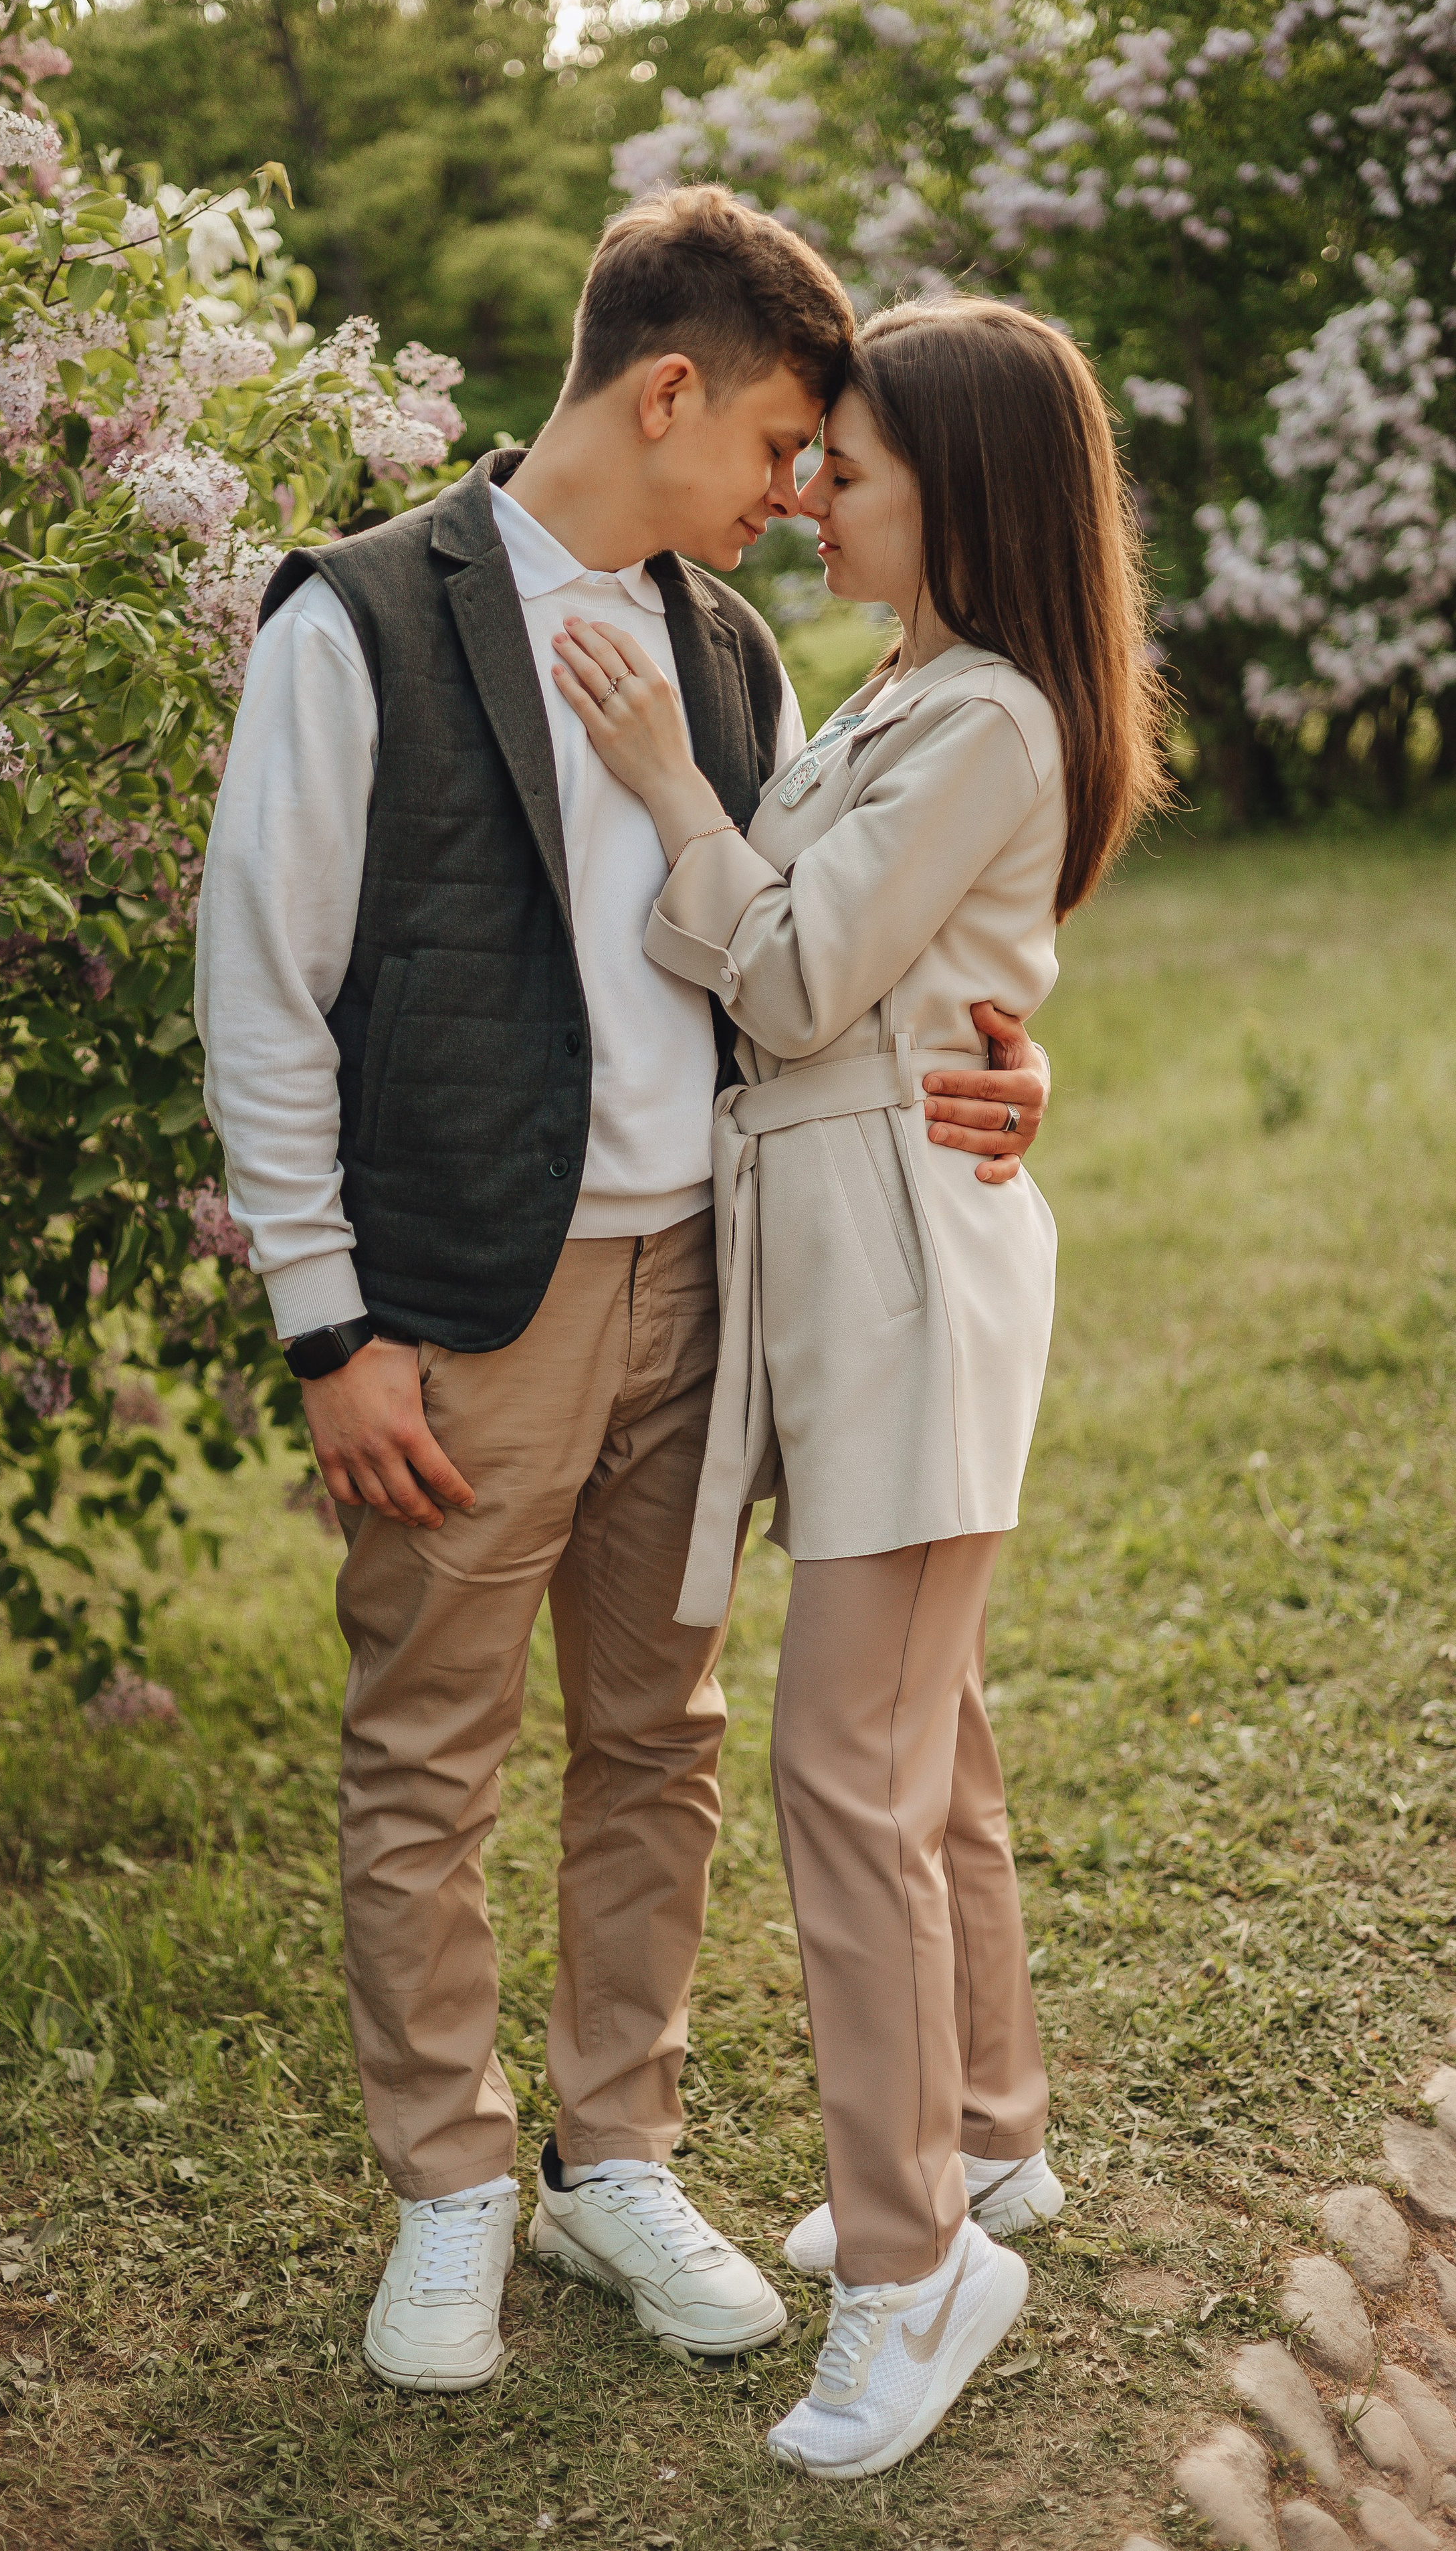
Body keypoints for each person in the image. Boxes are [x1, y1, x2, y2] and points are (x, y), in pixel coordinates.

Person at [194, 193, 1050, 2398]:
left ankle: (615, 2156)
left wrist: (1009, 1062)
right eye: (777, 439)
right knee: (431, 1747)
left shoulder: (733, 655)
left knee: (655, 1741)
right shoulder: (358, 622)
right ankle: (451, 2192)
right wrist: (328, 1320)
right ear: (666, 391)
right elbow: (263, 996)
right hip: (476, 1298)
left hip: (719, 1291)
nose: (797, 488)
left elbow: (818, 933)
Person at [550, 294, 1171, 2474]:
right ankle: (988, 2143)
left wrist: (654, 785)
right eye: (816, 461)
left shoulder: (988, 717)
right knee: (938, 1748)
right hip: (838, 1269)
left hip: (899, 1282)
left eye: (857, 469)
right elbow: (860, 981)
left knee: (849, 1779)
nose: (810, 492)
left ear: (962, 499)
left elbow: (804, 980)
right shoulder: (901, 694)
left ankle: (915, 2277)